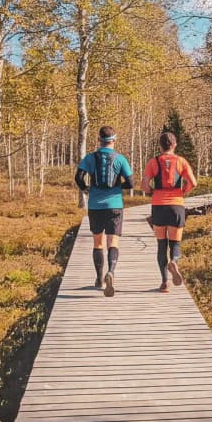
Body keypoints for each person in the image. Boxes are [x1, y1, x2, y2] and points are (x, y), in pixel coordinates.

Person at [74, 126, 134, 296]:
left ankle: (99, 279)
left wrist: (85, 188)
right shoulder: (120, 159)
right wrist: (118, 187)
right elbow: (131, 183)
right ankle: (111, 272)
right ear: (114, 140)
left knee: (98, 243)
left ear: (99, 140)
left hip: (95, 206)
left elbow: (78, 177)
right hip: (115, 205)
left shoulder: (90, 158)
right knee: (113, 242)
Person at [141, 130, 198, 293]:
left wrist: (152, 191)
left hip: (159, 205)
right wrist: (183, 191)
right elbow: (193, 182)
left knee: (161, 245)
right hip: (176, 205)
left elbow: (144, 185)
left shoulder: (153, 162)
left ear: (160, 146)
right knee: (175, 243)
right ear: (174, 145)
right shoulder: (181, 161)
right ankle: (174, 261)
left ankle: (165, 282)